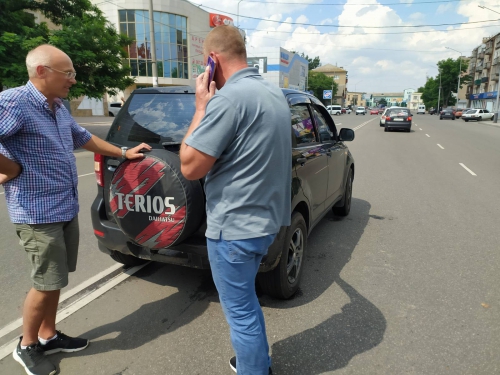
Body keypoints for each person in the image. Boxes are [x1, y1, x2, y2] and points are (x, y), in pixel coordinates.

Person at [0, 44, 151, 375]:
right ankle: (26, 346)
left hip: (63, 205)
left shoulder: (59, 106)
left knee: (57, 279)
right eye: (67, 72)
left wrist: (123, 153)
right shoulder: (15, 102)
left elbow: (83, 138)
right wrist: (8, 169)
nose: (73, 79)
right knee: (46, 280)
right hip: (36, 213)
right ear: (42, 71)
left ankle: (48, 335)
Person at [179, 26, 291, 375]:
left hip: (233, 229)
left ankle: (254, 369)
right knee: (246, 301)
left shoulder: (228, 100)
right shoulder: (274, 95)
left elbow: (190, 167)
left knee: (240, 311)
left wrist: (200, 108)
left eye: (204, 63)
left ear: (212, 61)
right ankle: (254, 361)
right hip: (266, 222)